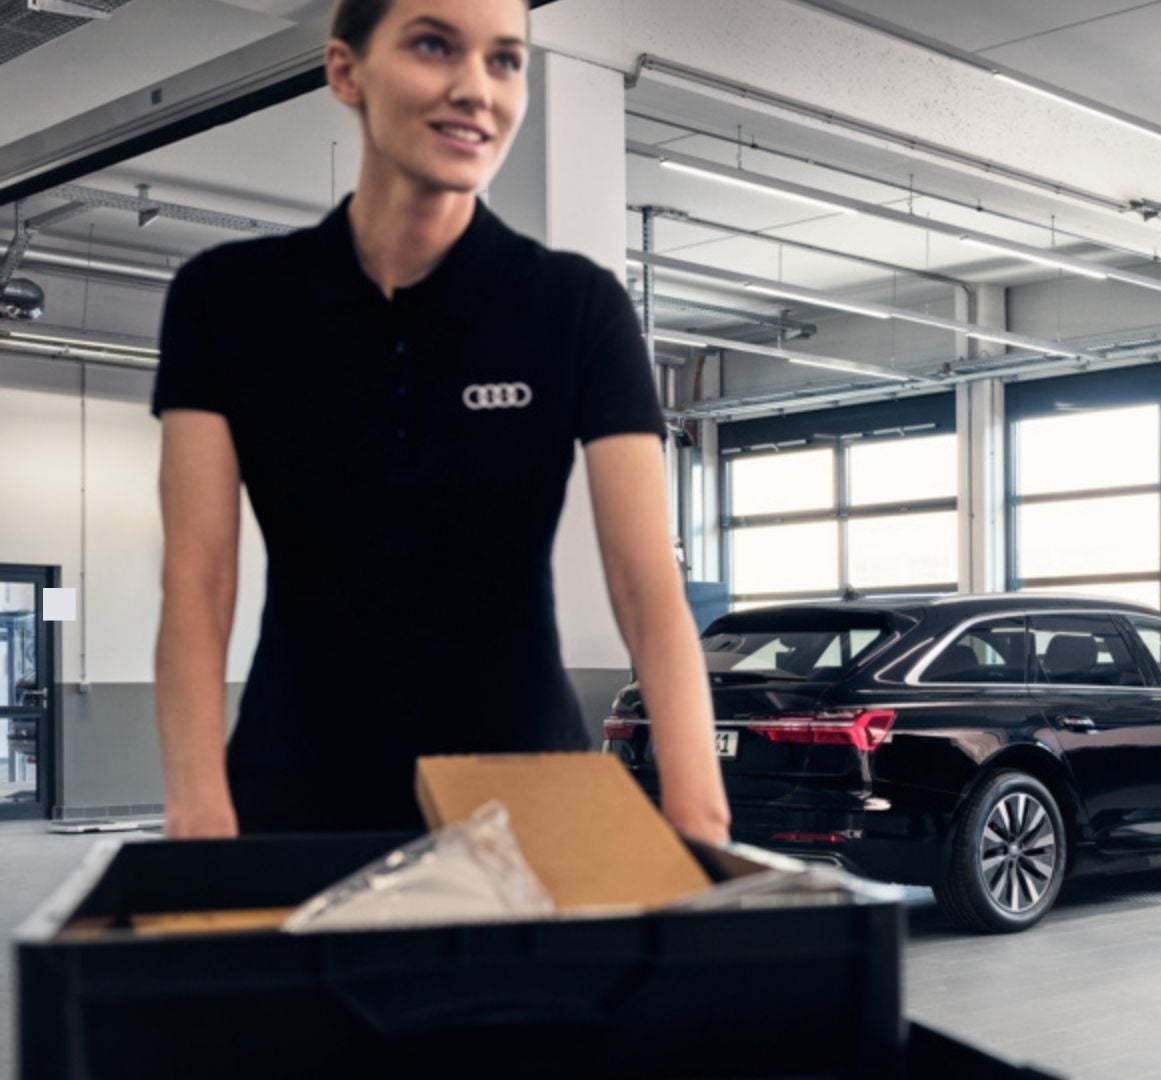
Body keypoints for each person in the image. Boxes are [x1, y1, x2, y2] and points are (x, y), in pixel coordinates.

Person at [151, 0, 729, 845]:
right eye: (432, 45)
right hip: (294, 791)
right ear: (346, 70)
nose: (476, 89)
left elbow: (646, 580)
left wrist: (697, 823)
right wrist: (197, 817)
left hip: (527, 796)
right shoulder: (226, 299)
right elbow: (198, 580)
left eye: (505, 60)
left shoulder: (575, 306)